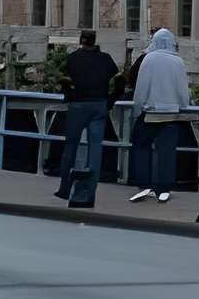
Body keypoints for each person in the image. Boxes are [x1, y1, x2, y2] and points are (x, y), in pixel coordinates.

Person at [129, 27, 191, 202]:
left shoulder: (149, 59)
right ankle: (164, 188)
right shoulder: (178, 61)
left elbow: (141, 88)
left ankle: (144, 183)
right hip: (172, 113)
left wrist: (137, 109)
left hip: (151, 113)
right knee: (167, 152)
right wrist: (183, 105)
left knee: (141, 145)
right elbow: (183, 90)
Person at [58, 28, 114, 206]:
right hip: (99, 105)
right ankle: (90, 192)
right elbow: (118, 80)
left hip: (78, 105)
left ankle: (65, 187)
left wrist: (69, 96)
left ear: (81, 40)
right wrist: (110, 101)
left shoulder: (73, 58)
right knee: (95, 150)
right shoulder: (106, 59)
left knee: (70, 147)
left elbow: (64, 81)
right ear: (95, 41)